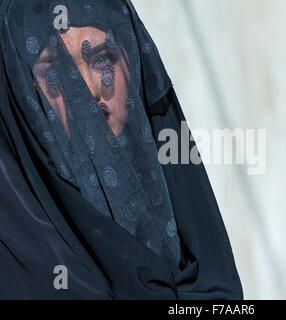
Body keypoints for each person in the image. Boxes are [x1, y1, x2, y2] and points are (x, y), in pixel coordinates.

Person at [0, 0, 243, 299]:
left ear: (133, 62)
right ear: (26, 92)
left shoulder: (182, 210)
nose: (88, 90)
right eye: (56, 71)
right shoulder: (21, 254)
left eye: (102, 60)